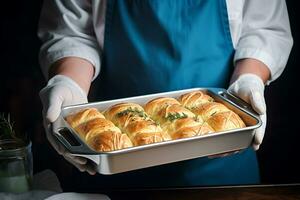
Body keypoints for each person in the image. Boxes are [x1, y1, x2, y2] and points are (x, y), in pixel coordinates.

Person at [38, 0, 293, 189]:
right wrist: (69, 83)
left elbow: (266, 29)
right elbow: (73, 32)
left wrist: (249, 80)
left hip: (222, 167)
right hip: (111, 168)